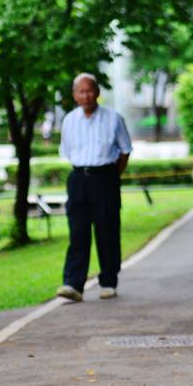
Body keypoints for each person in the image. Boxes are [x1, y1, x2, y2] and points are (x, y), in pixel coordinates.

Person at [56, 72, 132, 302]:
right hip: (79, 178)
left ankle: (108, 281)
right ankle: (73, 284)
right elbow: (67, 152)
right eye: (81, 91)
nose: (86, 95)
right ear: (74, 95)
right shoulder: (69, 120)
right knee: (77, 233)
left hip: (105, 177)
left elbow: (125, 150)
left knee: (107, 231)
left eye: (90, 90)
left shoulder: (113, 119)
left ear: (97, 93)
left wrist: (110, 176)